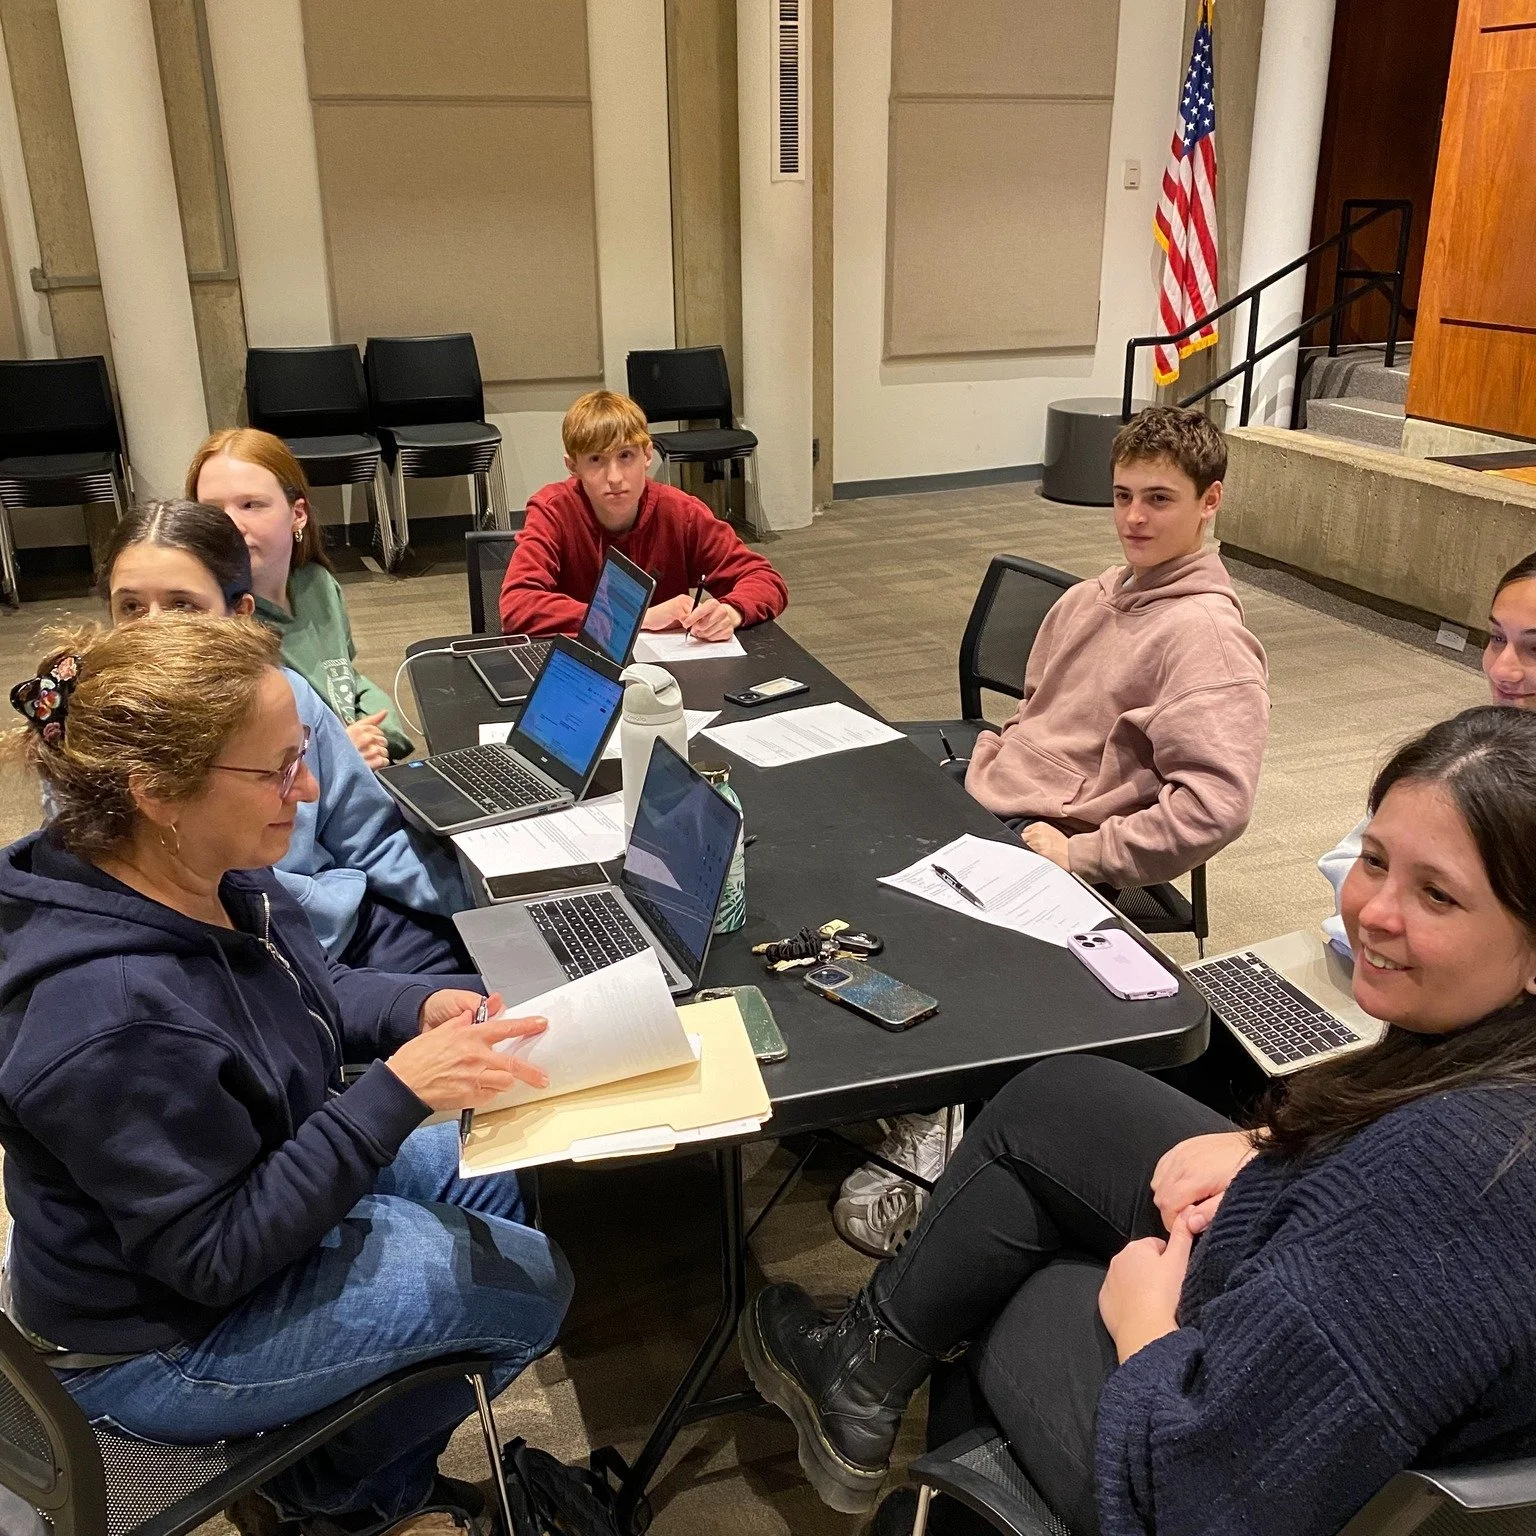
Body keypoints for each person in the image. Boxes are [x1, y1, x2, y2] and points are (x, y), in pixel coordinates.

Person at [742, 705, 1536, 1536]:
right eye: (1374, 860)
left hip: (1194, 1463)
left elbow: (1215, 1496)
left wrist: (1146, 1328)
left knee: (1009, 1275)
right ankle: (858, 1373)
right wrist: (1273, 1151)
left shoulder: (1451, 1181)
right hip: (1292, 1296)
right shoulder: (1472, 1076)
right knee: (1060, 1100)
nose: (1373, 911)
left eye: (1437, 895)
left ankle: (904, 1432)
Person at [0, 615, 570, 1536]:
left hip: (245, 1189)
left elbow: (314, 988)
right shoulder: (107, 1018)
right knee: (532, 1290)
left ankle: (342, 1455)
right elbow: (212, 1258)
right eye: (275, 771)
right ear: (156, 791)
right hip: (156, 1340)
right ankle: (340, 1502)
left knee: (497, 1161)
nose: (304, 791)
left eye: (299, 756)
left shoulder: (196, 870)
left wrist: (412, 1012)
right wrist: (395, 1093)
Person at [835, 406, 1271, 1260]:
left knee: (910, 923)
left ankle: (945, 1119)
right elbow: (1039, 719)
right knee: (842, 853)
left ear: (1210, 501)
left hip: (1056, 842)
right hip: (990, 796)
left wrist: (1082, 852)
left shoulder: (1208, 640)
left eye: (1160, 499)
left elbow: (1216, 806)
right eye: (1122, 497)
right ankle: (902, 1079)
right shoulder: (1091, 597)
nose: (1135, 518)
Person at [100, 499, 475, 978]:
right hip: (258, 962)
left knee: (535, 965)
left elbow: (368, 834)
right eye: (131, 607)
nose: (154, 629)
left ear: (240, 615)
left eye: (182, 606)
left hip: (346, 922)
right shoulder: (95, 737)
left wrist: (494, 894)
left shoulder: (286, 697)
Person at [1320, 548, 1536, 954]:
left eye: (1535, 649)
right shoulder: (1467, 750)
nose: (1502, 670)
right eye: (1496, 639)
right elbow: (1350, 859)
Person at [187, 428, 412, 768]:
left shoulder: (317, 584)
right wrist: (337, 752)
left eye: (251, 505)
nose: (231, 525)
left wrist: (381, 731)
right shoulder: (216, 621)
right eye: (213, 511)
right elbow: (230, 760)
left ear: (298, 514)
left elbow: (343, 678)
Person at [498, 389, 789, 639]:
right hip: (580, 671)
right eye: (596, 459)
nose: (614, 477)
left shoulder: (681, 512)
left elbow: (763, 578)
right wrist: (637, 619)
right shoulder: (553, 511)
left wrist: (731, 611)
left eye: (626, 456)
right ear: (573, 467)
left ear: (647, 455)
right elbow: (517, 605)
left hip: (664, 676)